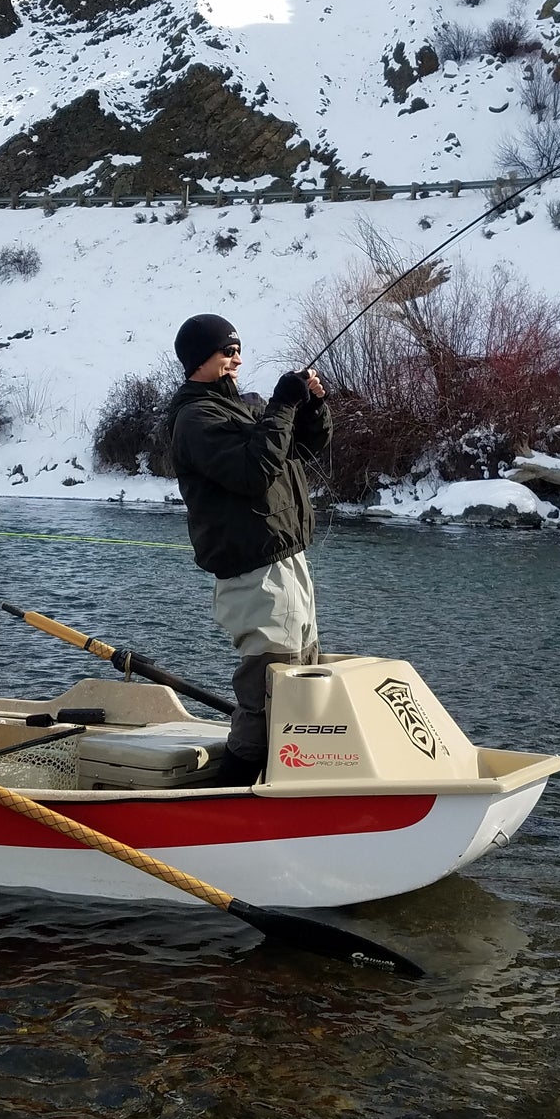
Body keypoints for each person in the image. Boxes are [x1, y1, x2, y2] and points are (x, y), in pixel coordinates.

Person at [165, 313, 331, 785]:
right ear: (200, 359)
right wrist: (281, 406)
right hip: (252, 568)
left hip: (288, 558)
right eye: (225, 351)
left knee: (302, 671)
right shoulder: (195, 420)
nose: (235, 358)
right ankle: (232, 786)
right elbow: (251, 472)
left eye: (238, 349)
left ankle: (285, 776)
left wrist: (311, 406)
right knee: (270, 680)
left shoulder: (250, 407)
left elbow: (301, 449)